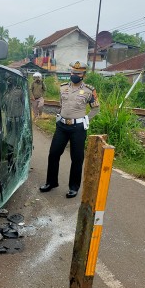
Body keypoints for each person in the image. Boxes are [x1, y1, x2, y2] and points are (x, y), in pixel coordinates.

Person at [39, 61, 100, 198]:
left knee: (77, 158)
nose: (74, 75)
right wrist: (60, 116)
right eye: (72, 72)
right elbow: (62, 104)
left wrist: (86, 119)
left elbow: (96, 108)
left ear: (83, 74)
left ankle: (73, 187)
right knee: (53, 154)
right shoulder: (63, 88)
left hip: (78, 128)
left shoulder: (90, 90)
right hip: (61, 126)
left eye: (78, 73)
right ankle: (51, 182)